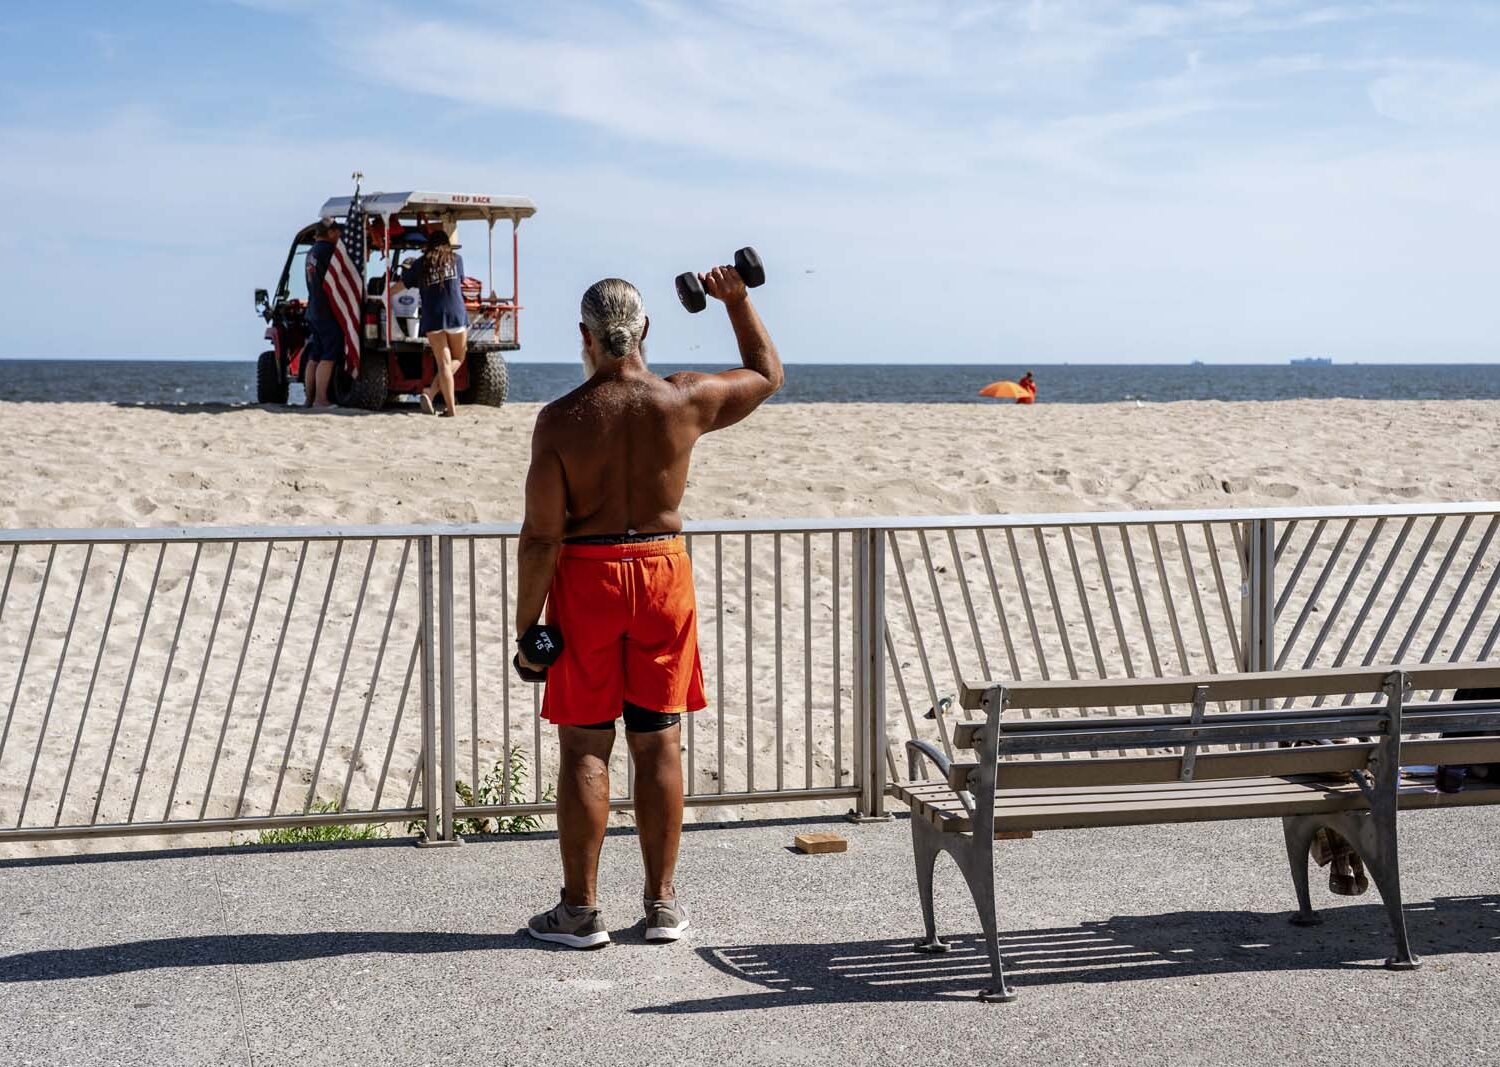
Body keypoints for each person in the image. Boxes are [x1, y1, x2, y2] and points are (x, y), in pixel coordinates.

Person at [515, 265, 782, 949]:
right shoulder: (683, 400)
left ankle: (580, 911)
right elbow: (765, 372)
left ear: (585, 336)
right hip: (663, 573)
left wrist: (526, 628)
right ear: (645, 332)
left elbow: (542, 535)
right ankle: (661, 905)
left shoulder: (562, 419)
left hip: (590, 578)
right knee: (658, 738)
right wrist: (736, 300)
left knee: (584, 743)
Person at [394, 229, 468, 417]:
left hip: (432, 316)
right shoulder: (456, 260)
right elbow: (461, 282)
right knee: (458, 358)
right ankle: (441, 401)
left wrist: (384, 295)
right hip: (455, 314)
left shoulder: (421, 264)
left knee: (443, 364)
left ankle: (435, 396)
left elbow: (403, 284)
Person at [303, 219, 344, 408]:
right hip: (326, 310)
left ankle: (309, 399)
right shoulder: (327, 251)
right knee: (329, 355)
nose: (340, 236)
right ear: (330, 233)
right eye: (337, 232)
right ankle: (320, 399)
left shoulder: (311, 252)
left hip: (314, 308)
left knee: (315, 355)